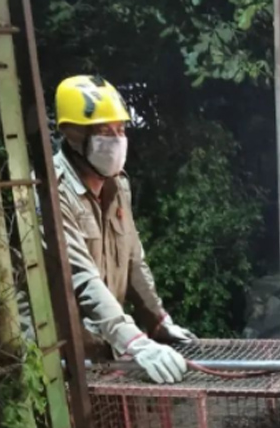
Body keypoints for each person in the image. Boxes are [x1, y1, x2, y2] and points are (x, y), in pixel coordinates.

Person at [52, 75, 196, 383]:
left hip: (103, 345)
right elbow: (80, 278)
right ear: (73, 134)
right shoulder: (52, 193)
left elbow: (133, 259)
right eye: (105, 131)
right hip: (61, 358)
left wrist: (156, 320)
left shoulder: (118, 186)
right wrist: (134, 341)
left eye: (120, 130)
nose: (117, 140)